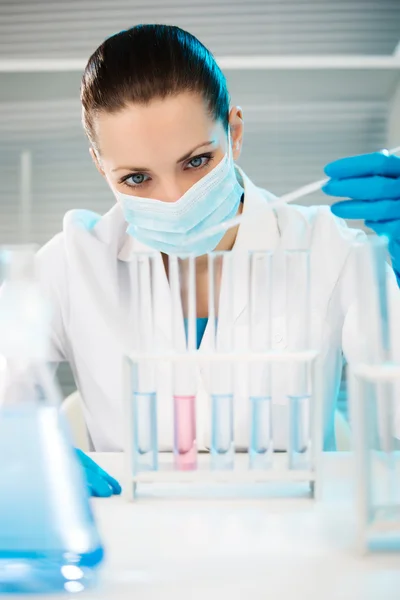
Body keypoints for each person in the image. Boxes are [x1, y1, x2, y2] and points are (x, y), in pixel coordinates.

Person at [28, 24, 400, 496]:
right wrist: (22, 451)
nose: (175, 199)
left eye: (196, 162)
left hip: (294, 542)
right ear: (102, 166)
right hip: (133, 539)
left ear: (235, 133)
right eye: (137, 178)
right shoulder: (72, 264)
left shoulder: (327, 247)